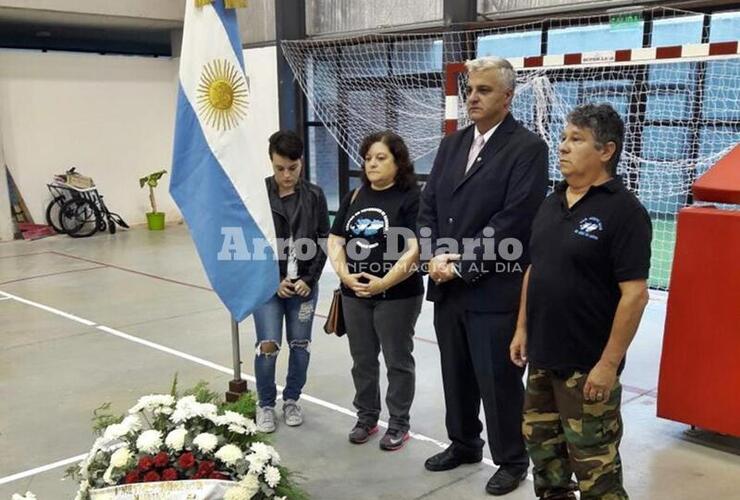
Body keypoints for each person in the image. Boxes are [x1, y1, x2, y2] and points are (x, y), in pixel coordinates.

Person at [417, 56, 549, 496]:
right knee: (455, 372)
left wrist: (461, 264)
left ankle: (512, 460)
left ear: (508, 97)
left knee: (497, 380)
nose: (472, 97)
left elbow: (513, 220)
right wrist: (435, 257)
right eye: (469, 90)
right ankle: (464, 443)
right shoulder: (452, 144)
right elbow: (429, 205)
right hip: (446, 285)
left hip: (493, 287)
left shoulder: (527, 148)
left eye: (484, 90)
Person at [510, 103, 652, 500]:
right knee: (546, 461)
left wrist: (607, 365)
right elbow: (534, 270)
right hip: (542, 359)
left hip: (587, 369)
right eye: (563, 138)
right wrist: (522, 329)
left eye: (576, 140)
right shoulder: (550, 202)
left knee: (596, 472)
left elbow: (635, 295)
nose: (563, 147)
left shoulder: (624, 212)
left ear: (606, 151)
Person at [327, 131, 423, 451]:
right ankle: (366, 417)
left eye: (381, 158)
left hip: (397, 295)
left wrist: (384, 282)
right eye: (368, 158)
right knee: (363, 359)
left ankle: (398, 423)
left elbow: (414, 249)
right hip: (355, 295)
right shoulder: (356, 196)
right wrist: (345, 276)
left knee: (397, 359)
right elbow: (335, 240)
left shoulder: (410, 197)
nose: (372, 163)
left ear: (398, 162)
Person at [253, 130, 329, 433]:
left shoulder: (315, 195)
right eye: (279, 168)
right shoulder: (259, 195)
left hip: (304, 288)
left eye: (292, 168)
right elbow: (251, 243)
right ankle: (266, 404)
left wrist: (309, 279)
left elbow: (324, 240)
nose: (286, 175)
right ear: (271, 163)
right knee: (268, 345)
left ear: (302, 162)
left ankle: (292, 399)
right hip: (268, 288)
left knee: (300, 344)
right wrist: (274, 280)